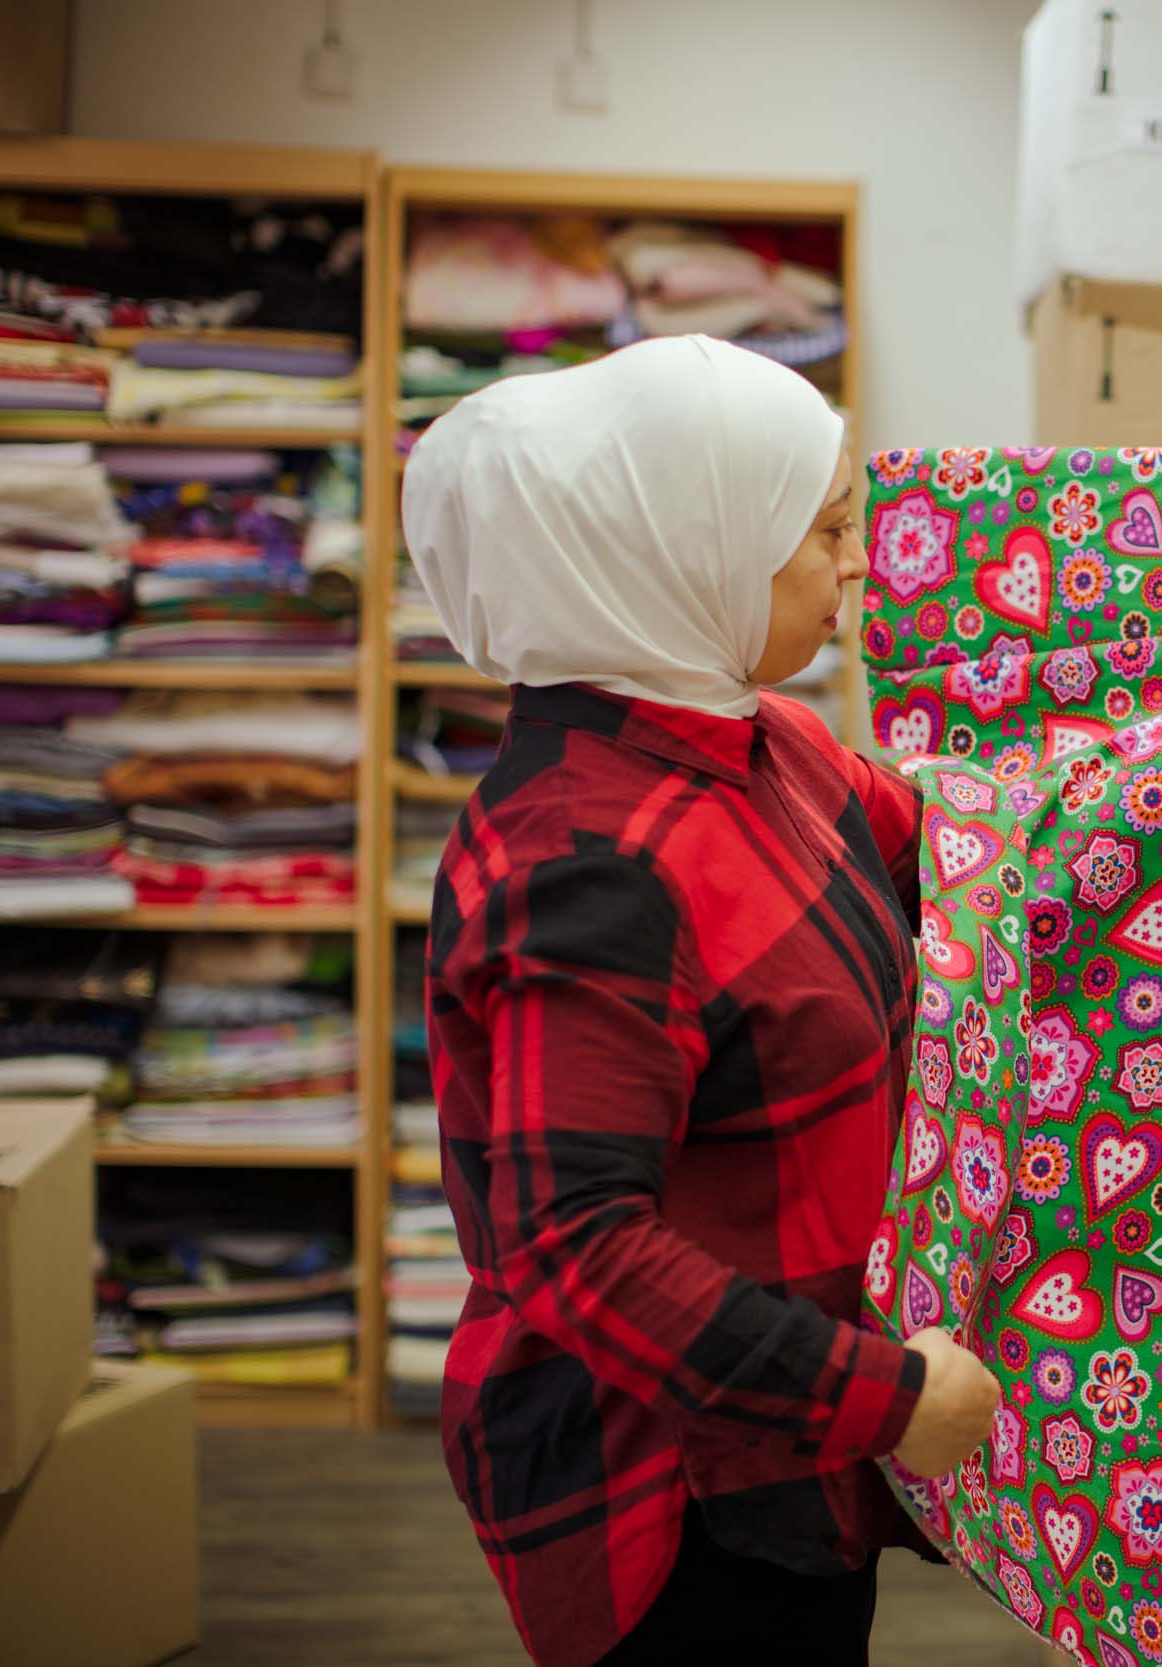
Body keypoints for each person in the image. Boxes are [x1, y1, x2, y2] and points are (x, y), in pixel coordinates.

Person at [401, 335, 999, 1667]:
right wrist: (892, 1399)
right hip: (678, 1496)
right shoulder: (588, 869)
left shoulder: (763, 740)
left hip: (790, 1441)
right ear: (691, 550)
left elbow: (970, 851)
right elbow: (578, 1249)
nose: (859, 564)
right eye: (826, 530)